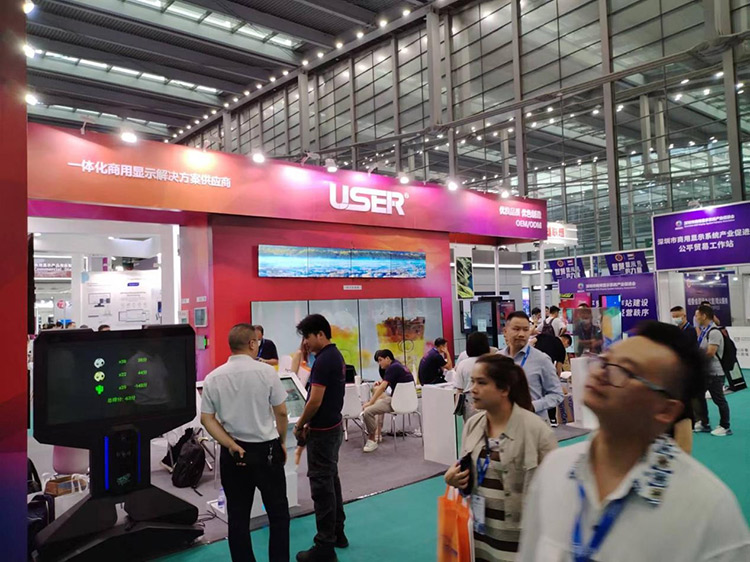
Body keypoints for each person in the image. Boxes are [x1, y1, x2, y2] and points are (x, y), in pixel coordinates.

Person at [518, 321, 750, 562]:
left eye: (625, 371)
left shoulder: (708, 510)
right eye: (604, 361)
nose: (601, 372)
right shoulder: (556, 468)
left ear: (666, 410)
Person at [445, 355, 557, 561]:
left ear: (504, 389)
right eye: (472, 381)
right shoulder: (472, 426)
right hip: (479, 541)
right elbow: (469, 476)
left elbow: (553, 497)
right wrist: (454, 480)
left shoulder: (538, 432)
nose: (472, 389)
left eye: (481, 383)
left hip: (519, 547)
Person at [200, 323, 290, 562]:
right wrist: (281, 441)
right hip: (267, 451)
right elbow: (281, 412)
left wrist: (229, 444)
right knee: (278, 514)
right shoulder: (267, 372)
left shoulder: (213, 377)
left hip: (234, 453)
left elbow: (207, 418)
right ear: (251, 343)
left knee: (238, 518)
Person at [292, 314, 347, 562]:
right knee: (331, 481)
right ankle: (337, 532)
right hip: (332, 427)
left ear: (320, 334)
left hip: (323, 433)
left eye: (307, 336)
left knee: (322, 487)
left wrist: (300, 424)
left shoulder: (324, 360)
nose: (305, 342)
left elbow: (315, 400)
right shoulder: (334, 356)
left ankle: (325, 545)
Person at [501, 311, 563, 421]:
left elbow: (557, 394)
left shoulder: (542, 359)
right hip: (504, 423)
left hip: (533, 424)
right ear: (505, 331)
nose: (521, 334)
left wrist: (533, 406)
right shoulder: (498, 359)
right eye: (516, 329)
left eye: (526, 330)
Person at [362, 349, 414, 453]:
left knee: (368, 411)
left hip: (398, 403)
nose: (379, 363)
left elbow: (382, 388)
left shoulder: (392, 368)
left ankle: (372, 439)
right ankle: (377, 433)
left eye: (380, 360)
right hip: (410, 402)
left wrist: (370, 402)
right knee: (379, 402)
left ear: (387, 358)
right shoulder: (399, 365)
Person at [693, 304, 732, 436]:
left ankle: (725, 426)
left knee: (719, 400)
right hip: (705, 372)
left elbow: (710, 352)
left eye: (697, 315)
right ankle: (704, 423)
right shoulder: (705, 330)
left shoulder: (714, 332)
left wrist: (694, 358)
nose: (696, 318)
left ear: (704, 316)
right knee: (698, 397)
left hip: (715, 373)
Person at [532, 330, 567, 428]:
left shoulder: (543, 336)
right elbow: (558, 368)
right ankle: (552, 418)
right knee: (550, 392)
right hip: (546, 367)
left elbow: (532, 341)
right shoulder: (561, 349)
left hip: (533, 362)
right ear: (566, 341)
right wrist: (556, 381)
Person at [454, 332, 491, 420]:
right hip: (488, 399)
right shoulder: (490, 362)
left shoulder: (462, 364)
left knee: (471, 426)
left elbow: (459, 389)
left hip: (469, 402)